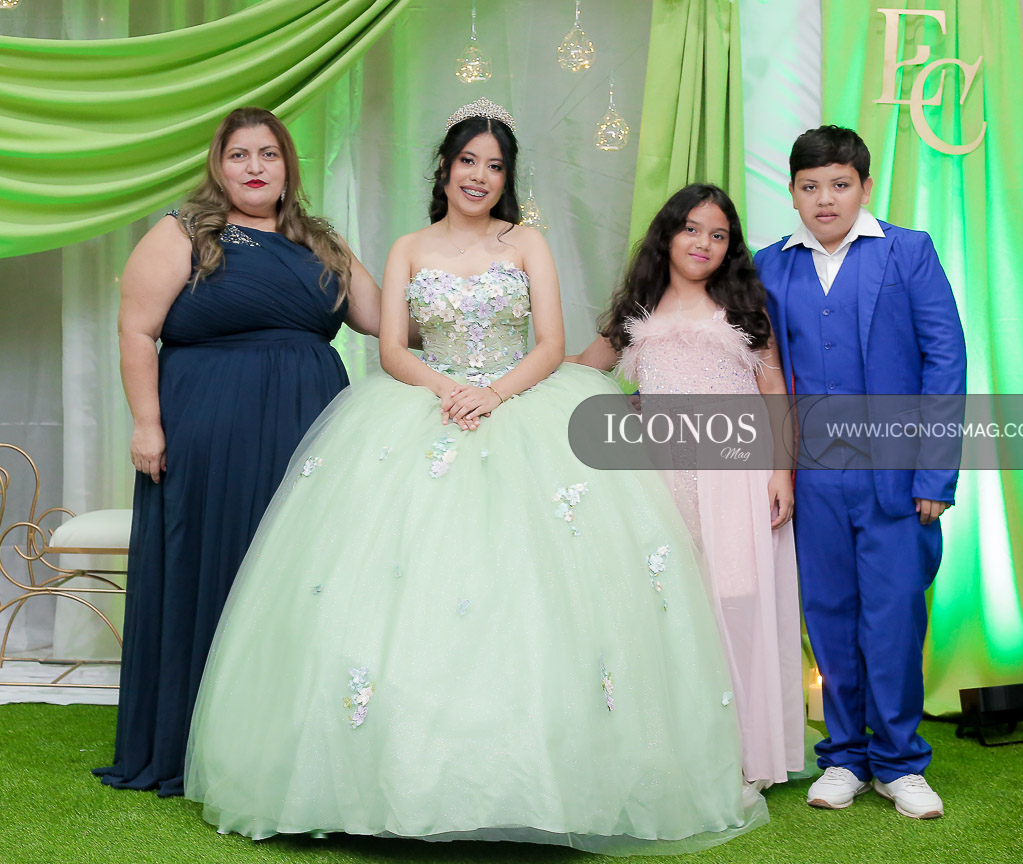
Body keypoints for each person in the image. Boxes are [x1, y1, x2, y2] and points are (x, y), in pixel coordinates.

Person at [184, 99, 766, 853]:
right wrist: (448, 389)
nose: (480, 176)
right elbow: (393, 348)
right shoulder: (407, 248)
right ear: (445, 167)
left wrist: (493, 392)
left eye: (495, 166)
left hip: (520, 403)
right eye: (468, 161)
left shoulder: (527, 243)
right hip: (424, 407)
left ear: (506, 177)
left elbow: (551, 342)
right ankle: (384, 779)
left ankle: (548, 782)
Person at [94, 107, 382, 797]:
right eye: (239, 155)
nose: (255, 167)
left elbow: (382, 320)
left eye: (268, 154)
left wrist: (464, 285)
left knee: (301, 572)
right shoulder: (183, 231)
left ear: (288, 165)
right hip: (208, 432)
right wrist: (146, 424)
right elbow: (136, 331)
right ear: (219, 166)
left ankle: (287, 742)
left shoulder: (321, 240)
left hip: (310, 432)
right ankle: (197, 741)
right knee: (214, 562)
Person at [753, 125, 966, 818]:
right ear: (792, 192)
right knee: (829, 617)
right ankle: (844, 756)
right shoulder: (769, 265)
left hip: (896, 478)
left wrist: (934, 475)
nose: (826, 199)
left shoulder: (909, 251)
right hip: (812, 478)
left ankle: (901, 763)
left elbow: (946, 360)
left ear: (865, 188)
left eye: (840, 185)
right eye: (810, 186)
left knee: (895, 618)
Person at [571, 183, 805, 787]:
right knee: (675, 603)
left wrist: (782, 472)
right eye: (692, 229)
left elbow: (773, 390)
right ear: (668, 235)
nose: (704, 243)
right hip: (660, 479)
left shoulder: (744, 307)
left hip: (736, 475)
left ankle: (748, 749)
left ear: (730, 248)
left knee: (737, 599)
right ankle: (685, 749)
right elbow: (578, 371)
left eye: (718, 235)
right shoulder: (637, 313)